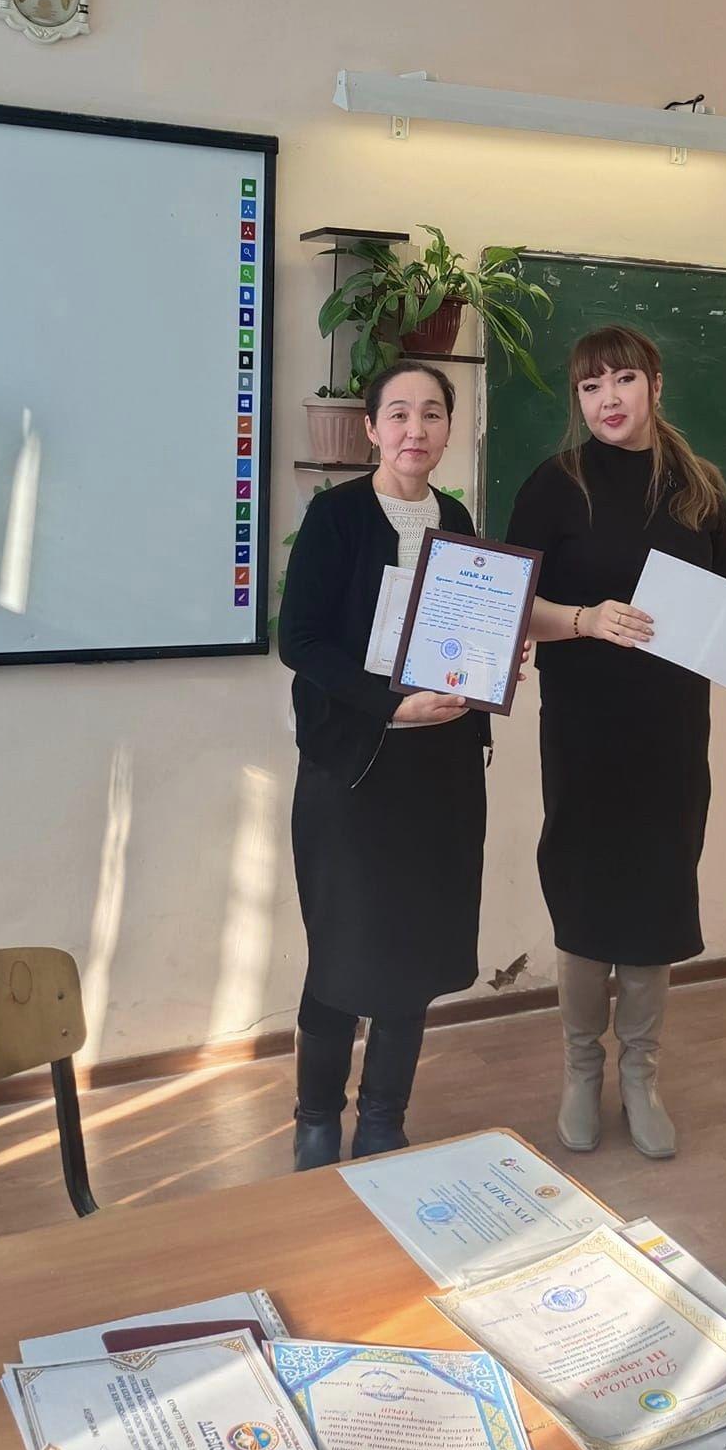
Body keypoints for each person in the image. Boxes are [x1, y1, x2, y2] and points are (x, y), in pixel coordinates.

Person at [507, 325, 726, 1160]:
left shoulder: (700, 488)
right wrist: (585, 619)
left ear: (655, 385)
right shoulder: (555, 484)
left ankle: (641, 1075)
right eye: (591, 387)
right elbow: (508, 605)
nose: (608, 399)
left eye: (623, 380)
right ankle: (580, 1072)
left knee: (658, 893)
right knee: (586, 893)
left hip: (671, 730)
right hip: (585, 729)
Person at [278, 361, 489, 1170]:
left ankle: (383, 1121)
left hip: (438, 776)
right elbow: (301, 642)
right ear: (370, 428)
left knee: (415, 951)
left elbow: (466, 630)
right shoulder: (334, 517)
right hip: (352, 770)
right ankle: (315, 1121)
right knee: (342, 949)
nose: (415, 429)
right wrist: (388, 706)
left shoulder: (457, 518)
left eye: (432, 413)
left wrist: (492, 664)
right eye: (398, 413)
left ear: (447, 429)